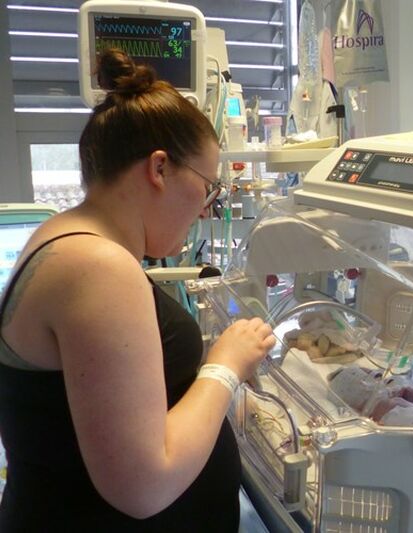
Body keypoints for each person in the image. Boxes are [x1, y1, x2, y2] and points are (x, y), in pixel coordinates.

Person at [0, 48, 276, 531]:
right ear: (160, 168)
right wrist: (225, 366)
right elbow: (145, 484)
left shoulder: (63, 238)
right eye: (209, 186)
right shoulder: (97, 266)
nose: (208, 207)